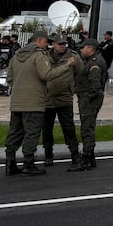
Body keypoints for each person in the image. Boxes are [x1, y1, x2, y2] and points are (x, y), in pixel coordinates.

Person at [4, 31, 73, 176]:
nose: (47, 45)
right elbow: (46, 75)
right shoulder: (39, 55)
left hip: (17, 101)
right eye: (46, 42)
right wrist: (66, 66)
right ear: (39, 41)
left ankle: (10, 162)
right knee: (32, 132)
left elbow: (9, 78)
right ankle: (28, 163)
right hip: (34, 101)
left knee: (15, 132)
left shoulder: (16, 56)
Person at [42, 34, 82, 167]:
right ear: (53, 44)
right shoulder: (44, 56)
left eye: (64, 44)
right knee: (46, 128)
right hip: (48, 97)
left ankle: (75, 154)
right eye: (60, 44)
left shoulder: (73, 56)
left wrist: (74, 89)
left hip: (65, 97)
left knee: (68, 127)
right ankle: (48, 154)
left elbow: (80, 73)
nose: (63, 46)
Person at [70, 39, 107, 172]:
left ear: (90, 49)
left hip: (89, 99)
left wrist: (87, 98)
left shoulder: (94, 63)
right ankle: (90, 158)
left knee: (87, 129)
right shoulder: (92, 60)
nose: (81, 50)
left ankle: (86, 159)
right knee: (87, 127)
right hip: (88, 98)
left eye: (83, 48)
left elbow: (95, 85)